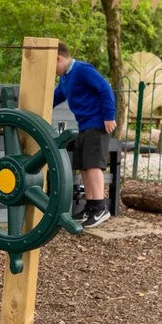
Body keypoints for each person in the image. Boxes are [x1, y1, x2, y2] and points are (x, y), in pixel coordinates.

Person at [53, 41, 116, 227]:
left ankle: (100, 208)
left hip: (97, 123)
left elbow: (105, 89)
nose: (52, 71)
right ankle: (91, 206)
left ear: (58, 58)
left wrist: (109, 116)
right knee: (84, 166)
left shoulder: (82, 70)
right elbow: (54, 97)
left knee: (94, 165)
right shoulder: (65, 79)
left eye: (51, 65)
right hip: (84, 125)